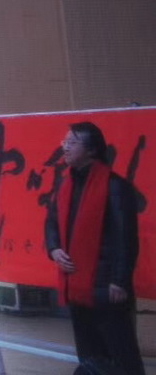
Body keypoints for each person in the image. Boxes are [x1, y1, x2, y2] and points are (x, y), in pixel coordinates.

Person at [45, 122, 143, 374]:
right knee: (89, 355)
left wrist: (119, 280)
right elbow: (51, 223)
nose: (64, 147)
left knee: (121, 355)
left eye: (72, 142)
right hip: (76, 285)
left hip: (107, 288)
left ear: (91, 150)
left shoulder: (114, 186)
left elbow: (125, 237)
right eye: (64, 141)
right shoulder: (65, 184)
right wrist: (54, 249)